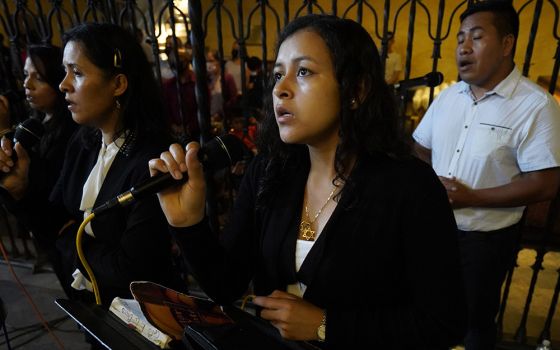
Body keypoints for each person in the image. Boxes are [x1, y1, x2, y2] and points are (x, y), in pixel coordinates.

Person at [150, 14, 467, 349]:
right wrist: (187, 224)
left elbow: (444, 323)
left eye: (303, 72)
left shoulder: (410, 187)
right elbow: (226, 285)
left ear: (355, 90)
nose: (280, 90)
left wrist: (327, 326)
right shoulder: (267, 172)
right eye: (277, 75)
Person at [0, 23, 184, 310]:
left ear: (118, 84)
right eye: (65, 72)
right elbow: (52, 218)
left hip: (143, 318)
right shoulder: (83, 142)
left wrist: (67, 237)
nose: (64, 84)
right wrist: (21, 191)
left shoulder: (153, 159)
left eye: (78, 72)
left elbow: (130, 269)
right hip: (91, 306)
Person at [412, 2, 560, 350]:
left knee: (471, 323)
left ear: (507, 44)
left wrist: (472, 197)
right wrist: (429, 185)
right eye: (460, 38)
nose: (463, 47)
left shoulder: (536, 106)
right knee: (424, 309)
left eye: (476, 37)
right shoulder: (448, 98)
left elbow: (546, 182)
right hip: (431, 227)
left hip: (483, 241)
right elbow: (420, 148)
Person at [0, 44, 79, 280]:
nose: (27, 84)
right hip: (45, 233)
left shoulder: (72, 132)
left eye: (38, 78)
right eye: (25, 75)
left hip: (68, 236)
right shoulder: (34, 124)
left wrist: (2, 129)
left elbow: (47, 188)